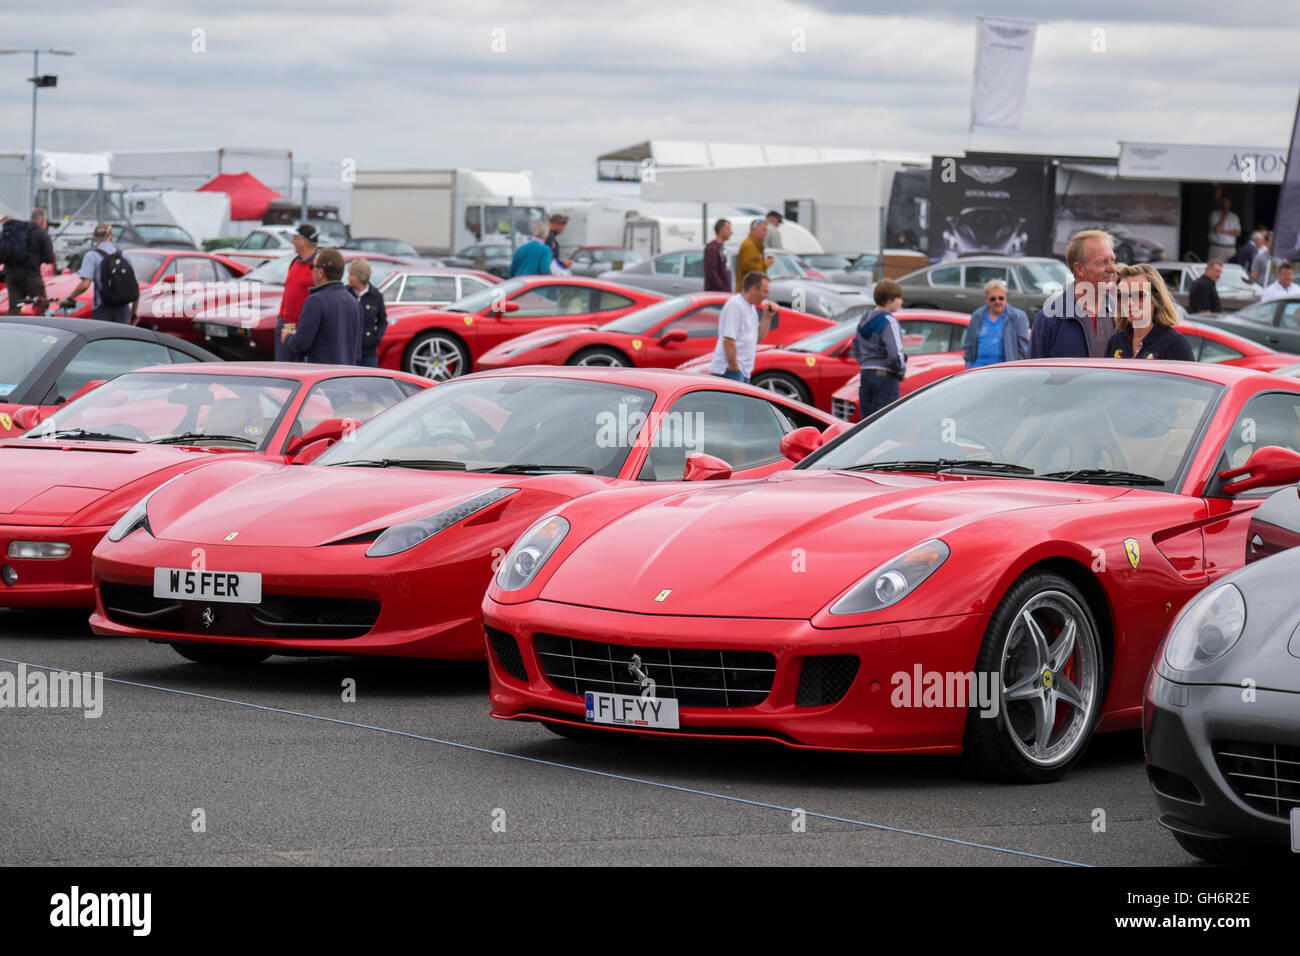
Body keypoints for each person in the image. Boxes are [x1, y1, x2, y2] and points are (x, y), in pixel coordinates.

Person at [1030, 229, 1117, 358]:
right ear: (1079, 269)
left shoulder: (1122, 314)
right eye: (1102, 262)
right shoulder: (1049, 319)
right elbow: (1036, 373)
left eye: (1112, 260)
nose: (1113, 269)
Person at [281, 248, 362, 364]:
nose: (311, 270)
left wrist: (287, 337)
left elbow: (301, 344)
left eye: (312, 266)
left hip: (321, 376)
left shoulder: (316, 301)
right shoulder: (353, 302)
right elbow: (357, 351)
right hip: (346, 376)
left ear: (320, 272)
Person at [1106, 263, 1194, 361]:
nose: (1129, 302)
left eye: (1138, 295)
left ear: (1156, 298)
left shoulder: (1175, 344)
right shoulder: (1115, 342)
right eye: (1122, 296)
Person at [61, 223, 137, 323]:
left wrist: (69, 297)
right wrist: (135, 311)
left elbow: (85, 284)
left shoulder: (91, 256)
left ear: (94, 238)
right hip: (123, 309)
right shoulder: (124, 255)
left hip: (102, 308)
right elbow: (135, 285)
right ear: (111, 236)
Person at [708, 271, 775, 383]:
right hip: (729, 371)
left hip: (743, 371)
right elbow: (728, 340)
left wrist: (767, 317)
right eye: (765, 291)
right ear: (754, 289)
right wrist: (735, 368)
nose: (767, 296)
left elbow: (756, 339)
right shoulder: (735, 305)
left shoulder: (751, 307)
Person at [852, 279, 906, 417]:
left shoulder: (865, 319)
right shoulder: (888, 321)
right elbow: (895, 353)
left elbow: (855, 346)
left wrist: (865, 363)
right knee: (887, 419)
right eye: (899, 298)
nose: (901, 301)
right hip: (885, 375)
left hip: (866, 374)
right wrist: (900, 370)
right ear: (889, 300)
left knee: (868, 421)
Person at [962, 279, 1030, 368]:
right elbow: (969, 345)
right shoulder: (977, 316)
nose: (997, 302)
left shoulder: (1018, 317)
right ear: (986, 300)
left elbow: (1023, 349)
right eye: (992, 299)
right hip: (978, 370)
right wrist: (969, 366)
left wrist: (1017, 370)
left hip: (1004, 371)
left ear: (1006, 298)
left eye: (1001, 298)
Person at [276, 224, 319, 361]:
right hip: (286, 325)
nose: (292, 242)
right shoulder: (295, 262)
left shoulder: (318, 266)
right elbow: (288, 291)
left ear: (305, 241)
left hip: (304, 329)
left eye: (295, 238)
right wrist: (281, 318)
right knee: (283, 371)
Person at [1, 207, 55, 315]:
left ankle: (11, 330)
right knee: (41, 307)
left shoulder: (17, 230)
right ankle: (43, 330)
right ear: (43, 221)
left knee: (14, 307)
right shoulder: (41, 233)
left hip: (11, 275)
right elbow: (49, 258)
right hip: (31, 275)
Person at [347, 258, 387, 367]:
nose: (348, 277)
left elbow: (382, 321)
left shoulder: (376, 296)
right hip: (348, 351)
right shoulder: (345, 293)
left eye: (351, 274)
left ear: (359, 276)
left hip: (368, 352)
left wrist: (376, 339)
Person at [735, 219, 770, 292]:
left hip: (751, 289)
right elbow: (752, 271)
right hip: (748, 291)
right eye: (764, 230)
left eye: (766, 230)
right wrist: (766, 263)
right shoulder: (749, 245)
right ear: (754, 230)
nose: (766, 233)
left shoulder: (756, 245)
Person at [703, 218, 732, 292]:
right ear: (721, 231)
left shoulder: (721, 247)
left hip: (723, 291)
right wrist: (722, 288)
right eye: (728, 229)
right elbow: (711, 271)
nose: (731, 232)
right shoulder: (712, 248)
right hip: (716, 292)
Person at [1208, 196, 1240, 263]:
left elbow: (1238, 233)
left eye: (1227, 204)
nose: (1226, 205)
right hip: (1218, 248)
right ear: (1220, 204)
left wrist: (1223, 231)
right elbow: (1217, 229)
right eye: (1224, 203)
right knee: (1215, 268)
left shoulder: (1234, 216)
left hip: (1231, 248)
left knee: (1231, 269)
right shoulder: (1214, 214)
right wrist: (1224, 216)